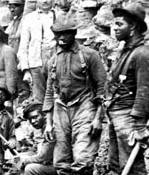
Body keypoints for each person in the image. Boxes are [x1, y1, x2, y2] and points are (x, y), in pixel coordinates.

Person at [42, 17, 107, 175]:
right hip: (61, 109)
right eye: (58, 34)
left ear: (74, 33)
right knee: (61, 161)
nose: (62, 38)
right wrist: (49, 123)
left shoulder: (89, 55)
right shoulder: (52, 61)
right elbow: (50, 92)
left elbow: (102, 88)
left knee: (83, 157)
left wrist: (98, 118)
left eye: (66, 34)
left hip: (84, 106)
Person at [107, 3, 149, 175]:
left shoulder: (144, 54)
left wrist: (139, 125)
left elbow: (146, 90)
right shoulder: (126, 52)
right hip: (116, 114)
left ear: (133, 27)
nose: (114, 28)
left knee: (133, 169)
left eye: (119, 24)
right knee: (116, 166)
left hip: (129, 117)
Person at [18, 0, 60, 103]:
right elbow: (24, 45)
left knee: (57, 91)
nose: (45, 1)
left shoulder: (60, 15)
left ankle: (56, 120)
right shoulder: (29, 18)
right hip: (36, 59)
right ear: (36, 0)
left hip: (55, 57)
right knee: (39, 95)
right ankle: (42, 119)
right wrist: (26, 69)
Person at [18, 103, 56, 175]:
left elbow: (44, 157)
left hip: (64, 166)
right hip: (57, 163)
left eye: (35, 117)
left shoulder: (50, 129)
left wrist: (24, 161)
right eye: (30, 119)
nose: (32, 121)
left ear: (44, 115)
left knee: (30, 169)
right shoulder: (46, 127)